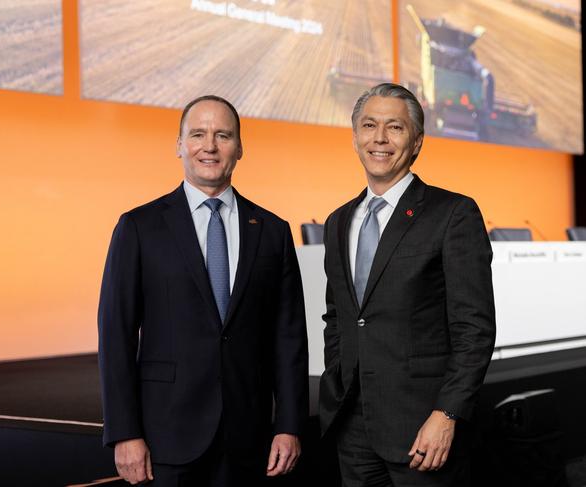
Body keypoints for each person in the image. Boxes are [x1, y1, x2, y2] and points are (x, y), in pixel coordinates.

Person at [98, 95, 309, 486]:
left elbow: (289, 338)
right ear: (179, 145)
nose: (209, 146)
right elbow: (116, 336)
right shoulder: (138, 228)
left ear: (240, 147)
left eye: (222, 135)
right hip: (166, 438)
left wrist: (290, 425)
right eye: (197, 134)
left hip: (250, 440)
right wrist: (124, 433)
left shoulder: (272, 231)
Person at [319, 83, 496, 486]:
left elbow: (475, 328)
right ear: (355, 137)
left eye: (394, 128)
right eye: (369, 125)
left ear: (416, 142)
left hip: (425, 431)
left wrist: (447, 414)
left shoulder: (453, 213)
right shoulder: (337, 222)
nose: (379, 138)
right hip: (353, 429)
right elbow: (338, 317)